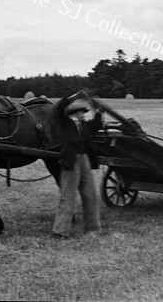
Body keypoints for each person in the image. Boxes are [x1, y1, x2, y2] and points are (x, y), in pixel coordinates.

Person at [52, 98, 103, 238]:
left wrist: (98, 111)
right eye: (82, 112)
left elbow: (96, 124)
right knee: (68, 195)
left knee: (90, 194)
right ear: (76, 113)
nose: (84, 115)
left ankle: (93, 228)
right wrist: (71, 97)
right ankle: (60, 231)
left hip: (84, 159)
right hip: (72, 160)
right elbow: (59, 109)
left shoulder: (84, 125)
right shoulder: (66, 123)